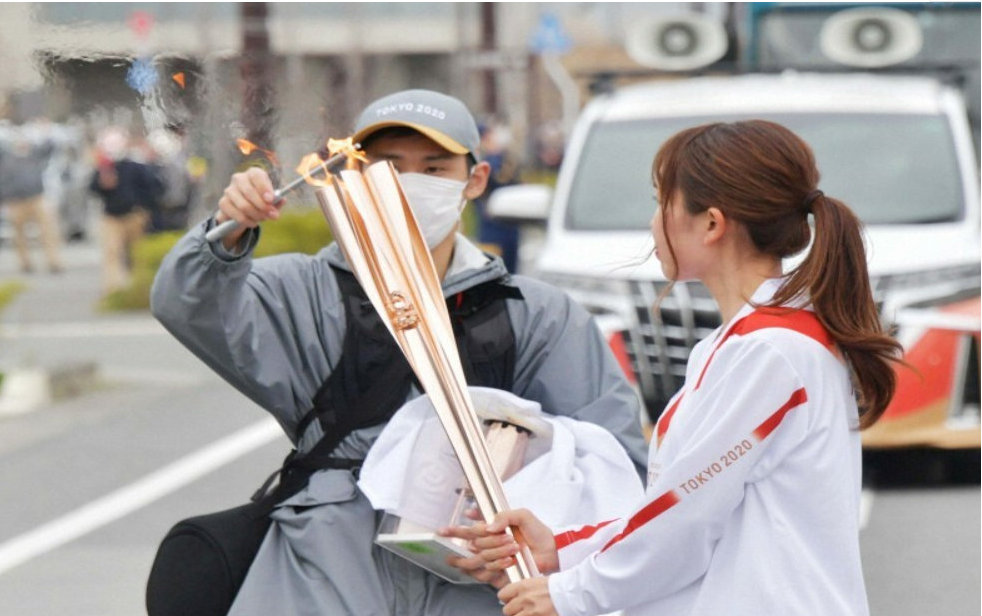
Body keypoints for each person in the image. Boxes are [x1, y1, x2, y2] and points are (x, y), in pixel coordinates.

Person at [148, 89, 647, 616]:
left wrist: (546, 536)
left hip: (478, 582)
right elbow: (189, 305)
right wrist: (228, 233)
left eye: (434, 168)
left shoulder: (535, 313)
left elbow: (613, 460)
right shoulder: (304, 290)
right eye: (388, 165)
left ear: (473, 181)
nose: (410, 184)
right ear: (353, 175)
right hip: (324, 569)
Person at [442, 120, 902, 615]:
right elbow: (677, 504)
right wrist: (559, 547)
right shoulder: (739, 346)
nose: (653, 222)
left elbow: (686, 517)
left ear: (711, 223)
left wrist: (570, 594)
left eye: (663, 201)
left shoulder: (772, 353)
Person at [89, 126, 161, 293]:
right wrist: (102, 184)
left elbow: (152, 188)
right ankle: (114, 289)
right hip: (111, 217)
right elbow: (92, 189)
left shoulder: (135, 167)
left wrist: (143, 207)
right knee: (112, 252)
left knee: (136, 253)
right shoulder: (103, 168)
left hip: (134, 215)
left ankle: (139, 287)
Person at [0, 123, 64, 274]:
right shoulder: (6, 156)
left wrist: (47, 132)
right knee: (19, 234)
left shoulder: (33, 154)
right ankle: (25, 262)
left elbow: (49, 149)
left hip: (36, 197)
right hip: (15, 200)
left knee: (48, 229)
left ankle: (53, 261)